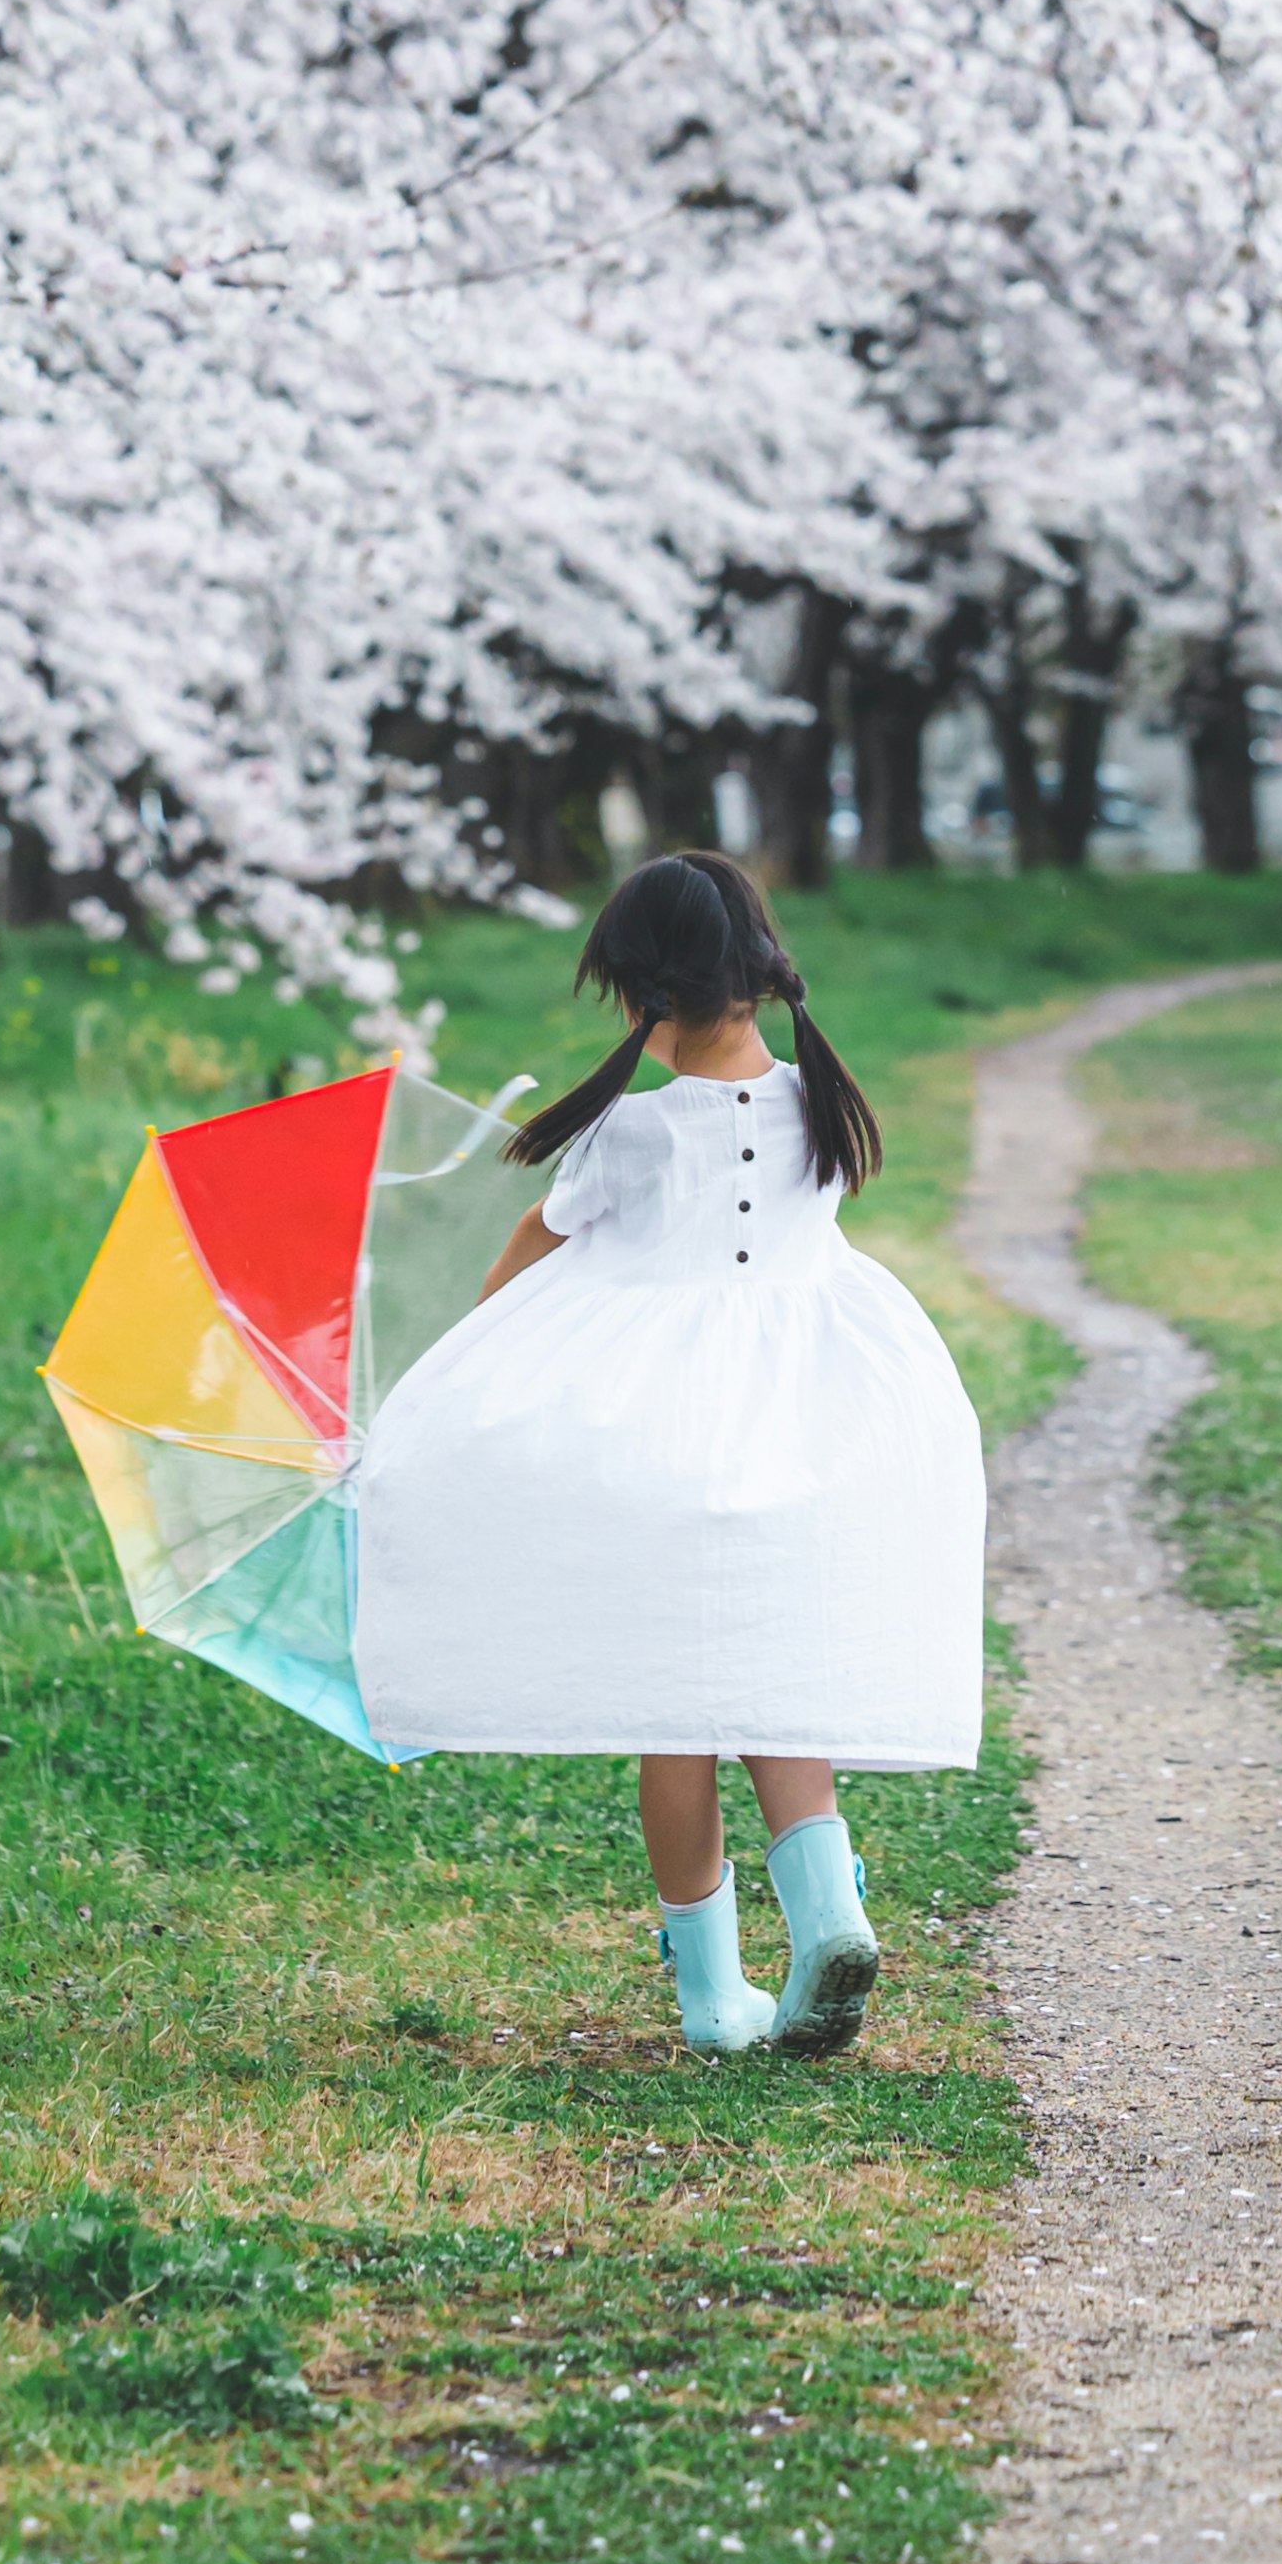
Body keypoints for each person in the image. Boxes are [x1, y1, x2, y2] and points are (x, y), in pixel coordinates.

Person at [350, 850, 985, 2056]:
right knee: (780, 1683)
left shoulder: (627, 1138)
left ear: (642, 995)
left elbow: (531, 1259)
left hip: (654, 1456)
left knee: (673, 1713)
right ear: (754, 974)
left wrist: (453, 1378)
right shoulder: (821, 1108)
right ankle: (832, 1913)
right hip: (808, 1439)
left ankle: (711, 1996)